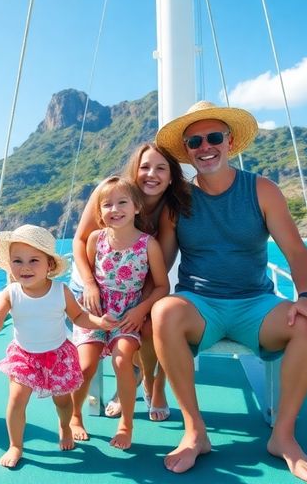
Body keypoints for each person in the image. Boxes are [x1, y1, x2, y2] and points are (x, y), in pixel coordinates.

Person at [152, 100, 307, 482]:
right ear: (187, 152)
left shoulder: (261, 190)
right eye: (195, 142)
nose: (205, 147)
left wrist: (306, 298)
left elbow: (296, 252)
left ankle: (283, 437)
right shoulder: (177, 201)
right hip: (199, 305)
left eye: (213, 137)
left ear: (229, 141)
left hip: (256, 304)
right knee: (163, 312)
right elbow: (159, 265)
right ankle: (194, 431)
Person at [0, 225, 117, 468]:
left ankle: (64, 426)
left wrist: (99, 322)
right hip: (24, 356)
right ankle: (15, 445)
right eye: (17, 261)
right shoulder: (11, 292)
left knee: (62, 402)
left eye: (34, 260)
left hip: (57, 355)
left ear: (49, 266)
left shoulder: (60, 291)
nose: (25, 267)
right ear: (10, 265)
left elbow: (78, 317)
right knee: (16, 400)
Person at [70, 143, 190, 421]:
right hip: (93, 289)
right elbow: (80, 241)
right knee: (91, 356)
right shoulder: (109, 193)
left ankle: (152, 383)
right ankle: (126, 380)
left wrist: (140, 307)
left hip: (136, 289)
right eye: (145, 167)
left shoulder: (167, 213)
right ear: (134, 170)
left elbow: (159, 273)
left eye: (161, 168)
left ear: (171, 176)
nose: (152, 174)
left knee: (151, 325)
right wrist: (90, 284)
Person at [69, 176, 170, 450]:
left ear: (137, 207)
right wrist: (89, 285)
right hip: (95, 310)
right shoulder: (95, 239)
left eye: (122, 202)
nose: (114, 209)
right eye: (107, 205)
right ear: (99, 213)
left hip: (128, 313)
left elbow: (162, 286)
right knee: (85, 366)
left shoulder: (148, 245)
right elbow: (88, 273)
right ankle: (75, 416)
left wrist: (140, 310)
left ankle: (126, 424)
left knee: (123, 360)